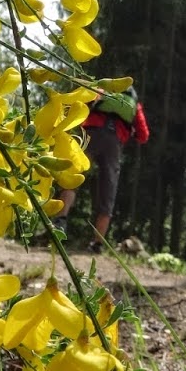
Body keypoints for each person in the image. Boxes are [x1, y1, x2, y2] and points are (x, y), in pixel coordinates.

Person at [61, 83, 150, 249]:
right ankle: (97, 243)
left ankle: (60, 222)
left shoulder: (102, 91)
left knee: (74, 175)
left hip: (91, 133)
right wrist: (131, 132)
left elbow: (81, 103)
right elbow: (144, 135)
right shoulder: (134, 104)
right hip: (114, 142)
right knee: (108, 191)